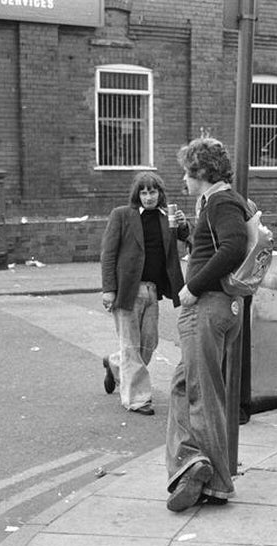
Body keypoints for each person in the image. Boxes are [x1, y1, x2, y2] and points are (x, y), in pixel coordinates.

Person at [165, 136, 248, 512]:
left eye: (186, 172)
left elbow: (232, 247)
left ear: (200, 172)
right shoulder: (220, 202)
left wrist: (192, 287)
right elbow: (216, 245)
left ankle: (215, 480)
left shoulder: (221, 201)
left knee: (202, 393)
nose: (183, 179)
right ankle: (191, 463)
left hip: (207, 306)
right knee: (184, 385)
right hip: (220, 306)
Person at [100, 171, 189, 416]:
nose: (149, 197)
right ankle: (138, 399)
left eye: (153, 191)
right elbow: (108, 254)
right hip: (127, 290)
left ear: (160, 193)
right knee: (132, 345)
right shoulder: (122, 215)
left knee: (148, 344)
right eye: (144, 192)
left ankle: (115, 363)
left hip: (153, 290)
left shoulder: (165, 217)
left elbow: (185, 239)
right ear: (137, 194)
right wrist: (108, 289)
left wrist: (182, 225)